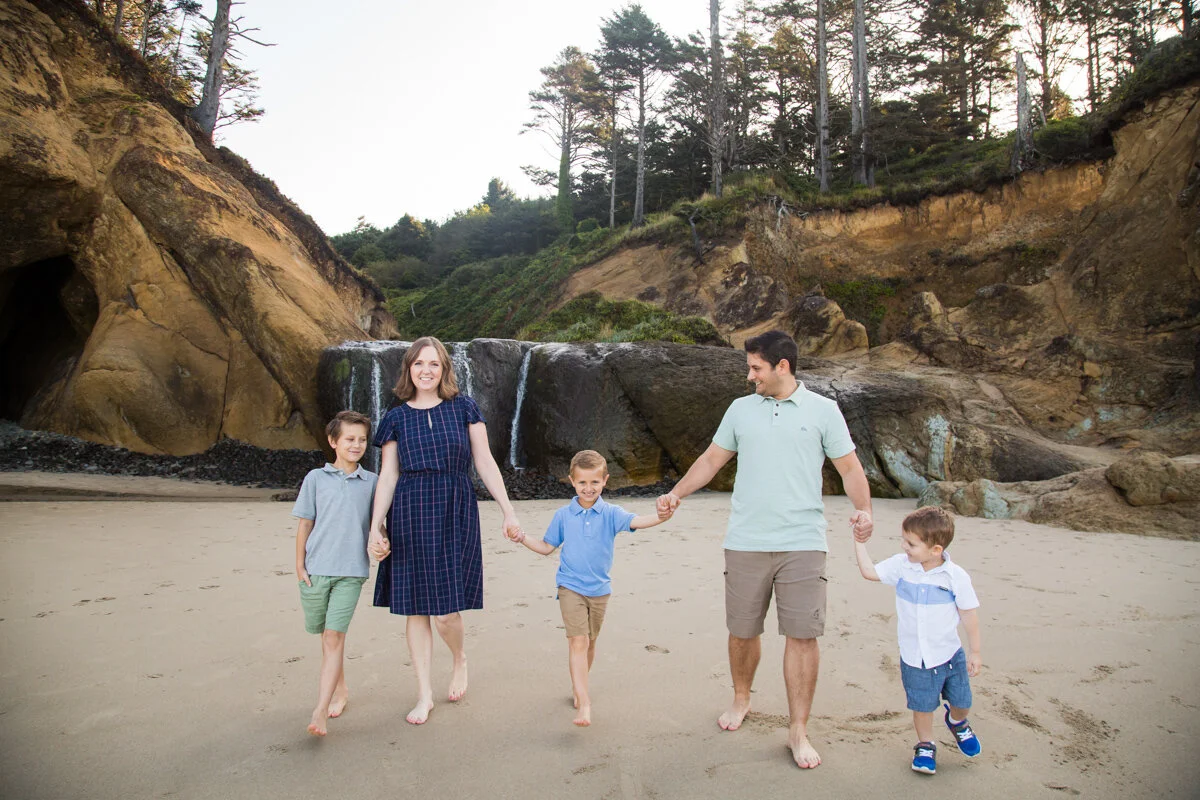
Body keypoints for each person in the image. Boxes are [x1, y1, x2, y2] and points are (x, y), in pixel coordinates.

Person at [656, 329, 874, 770]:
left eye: (755, 367)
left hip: (803, 542)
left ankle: (798, 729)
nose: (749, 375)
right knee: (742, 630)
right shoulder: (740, 410)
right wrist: (676, 494)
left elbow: (849, 467)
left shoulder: (823, 411)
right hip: (746, 540)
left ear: (782, 366)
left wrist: (864, 510)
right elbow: (711, 460)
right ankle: (741, 699)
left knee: (803, 635)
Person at [366, 336, 522, 725]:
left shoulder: (464, 408)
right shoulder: (395, 418)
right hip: (409, 510)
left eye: (433, 364)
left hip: (455, 506)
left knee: (447, 614)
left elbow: (484, 462)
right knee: (416, 609)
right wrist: (375, 526)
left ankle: (459, 658)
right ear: (409, 369)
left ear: (444, 369)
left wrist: (508, 511)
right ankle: (423, 694)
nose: (426, 371)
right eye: (419, 364)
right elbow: (388, 476)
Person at [508, 450, 672, 727]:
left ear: (605, 481)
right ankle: (584, 702)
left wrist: (662, 517)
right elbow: (547, 547)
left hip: (600, 589)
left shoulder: (610, 514)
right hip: (569, 586)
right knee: (578, 641)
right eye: (582, 483)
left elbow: (637, 521)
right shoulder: (563, 515)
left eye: (594, 482)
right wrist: (522, 538)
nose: (588, 488)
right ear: (572, 481)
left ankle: (579, 684)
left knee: (591, 643)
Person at [852, 505, 983, 775]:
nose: (904, 547)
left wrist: (975, 651)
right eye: (904, 540)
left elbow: (969, 615)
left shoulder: (954, 577)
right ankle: (925, 745)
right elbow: (869, 571)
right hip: (915, 657)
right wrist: (858, 542)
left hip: (949, 655)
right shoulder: (902, 567)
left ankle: (958, 723)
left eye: (911, 543)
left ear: (936, 549)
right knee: (922, 706)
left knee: (962, 702)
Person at [293, 410, 378, 737]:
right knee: (324, 635)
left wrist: (381, 541)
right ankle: (340, 690)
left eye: (361, 440)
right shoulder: (315, 478)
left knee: (334, 636)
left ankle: (320, 709)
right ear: (333, 441)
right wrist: (299, 565)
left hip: (351, 571)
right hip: (316, 570)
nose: (356, 445)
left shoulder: (371, 482)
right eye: (349, 439)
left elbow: (377, 524)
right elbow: (305, 524)